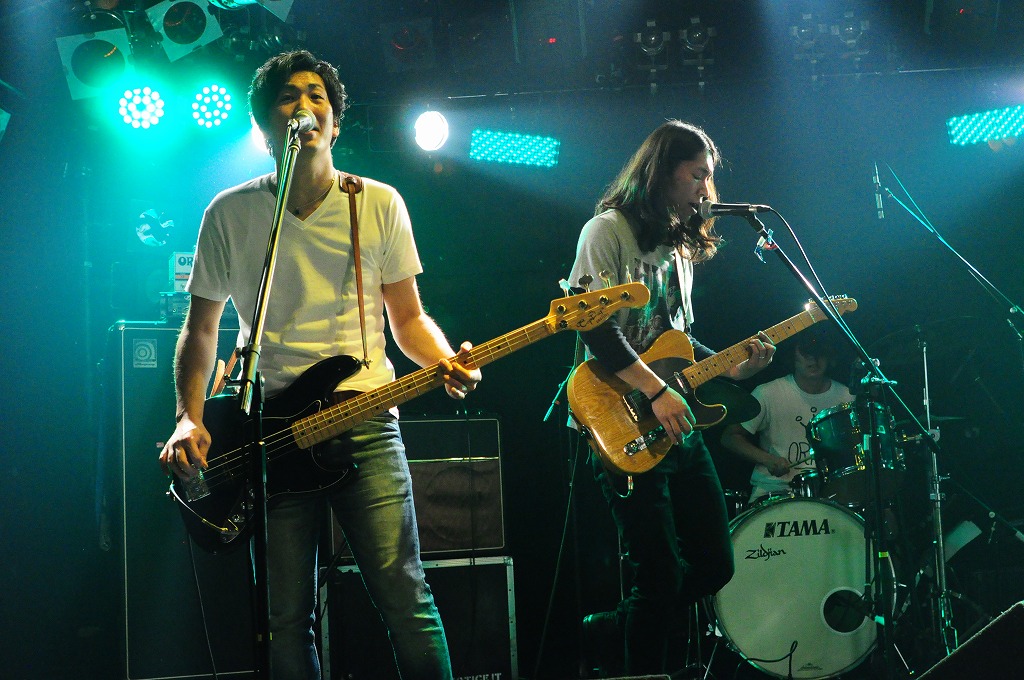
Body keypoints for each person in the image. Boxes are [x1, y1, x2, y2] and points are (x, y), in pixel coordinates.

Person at [158, 50, 480, 680]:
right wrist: (187, 417)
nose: (304, 106)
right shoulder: (229, 212)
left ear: (334, 121)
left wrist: (444, 360)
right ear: (264, 124)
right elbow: (201, 329)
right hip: (270, 433)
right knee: (284, 617)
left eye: (317, 96)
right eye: (287, 96)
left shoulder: (378, 203)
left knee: (404, 594)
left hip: (363, 418)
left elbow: (408, 319)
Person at [570, 120, 776, 675]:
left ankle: (616, 626)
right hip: (618, 415)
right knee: (657, 573)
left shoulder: (679, 249)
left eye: (710, 176)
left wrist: (735, 364)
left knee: (714, 565)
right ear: (662, 173)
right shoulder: (607, 231)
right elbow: (593, 326)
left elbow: (675, 341)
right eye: (697, 175)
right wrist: (656, 390)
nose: (707, 189)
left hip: (673, 418)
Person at [720, 330, 852, 503]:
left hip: (830, 493)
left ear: (830, 356)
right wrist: (768, 459)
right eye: (805, 353)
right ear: (792, 356)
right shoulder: (767, 393)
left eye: (820, 353)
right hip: (774, 491)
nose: (813, 359)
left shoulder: (847, 397)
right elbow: (730, 437)